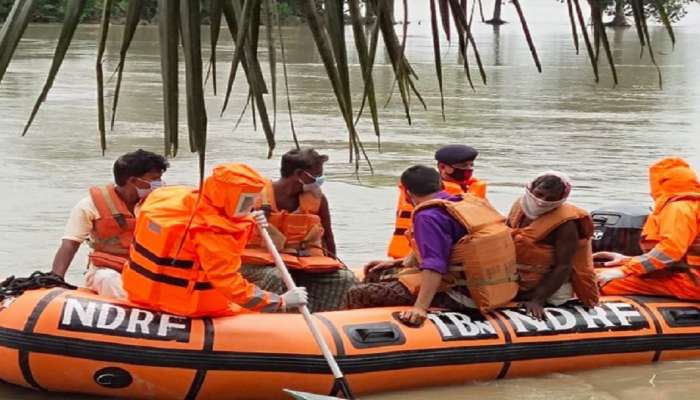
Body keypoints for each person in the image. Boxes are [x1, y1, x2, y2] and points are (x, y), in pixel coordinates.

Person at [121, 163, 307, 317]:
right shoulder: (212, 232)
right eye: (247, 200)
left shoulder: (171, 196)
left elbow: (223, 215)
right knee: (255, 314)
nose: (251, 205)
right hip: (184, 307)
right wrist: (280, 301)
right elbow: (229, 283)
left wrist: (248, 220)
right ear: (228, 197)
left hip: (139, 291)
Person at [346, 165, 517, 326]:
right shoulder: (461, 204)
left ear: (407, 192)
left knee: (358, 293)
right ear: (441, 184)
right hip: (484, 285)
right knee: (377, 273)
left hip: (460, 294)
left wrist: (420, 308)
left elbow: (434, 265)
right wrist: (397, 263)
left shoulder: (428, 216)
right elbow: (456, 250)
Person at [240, 148, 357, 312]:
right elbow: (230, 232)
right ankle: (274, 320)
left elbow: (328, 238)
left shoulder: (318, 200)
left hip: (300, 265)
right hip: (258, 266)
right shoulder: (254, 197)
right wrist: (251, 219)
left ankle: (323, 320)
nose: (319, 180)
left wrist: (334, 265)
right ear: (299, 174)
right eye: (316, 175)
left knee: (345, 278)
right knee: (276, 276)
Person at [50, 149, 169, 299]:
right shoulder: (90, 205)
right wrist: (55, 279)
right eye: (154, 179)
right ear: (133, 181)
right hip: (106, 270)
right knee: (108, 279)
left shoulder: (162, 204)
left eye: (160, 179)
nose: (159, 184)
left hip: (147, 272)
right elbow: (70, 244)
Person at [595, 157, 700, 301]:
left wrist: (623, 271)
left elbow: (670, 251)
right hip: (687, 277)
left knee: (592, 280)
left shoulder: (678, 208)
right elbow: (680, 257)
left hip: (688, 283)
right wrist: (627, 260)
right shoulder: (692, 206)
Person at [507, 172, 599, 320]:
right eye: (539, 194)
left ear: (561, 199)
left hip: (551, 285)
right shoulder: (519, 207)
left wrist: (537, 300)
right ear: (531, 188)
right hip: (519, 279)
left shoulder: (566, 224)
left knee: (557, 296)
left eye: (551, 199)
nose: (541, 202)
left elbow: (564, 266)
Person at [387, 144, 487, 259]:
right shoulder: (423, 188)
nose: (468, 169)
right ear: (442, 167)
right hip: (416, 252)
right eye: (463, 166)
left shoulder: (470, 188)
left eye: (471, 165)